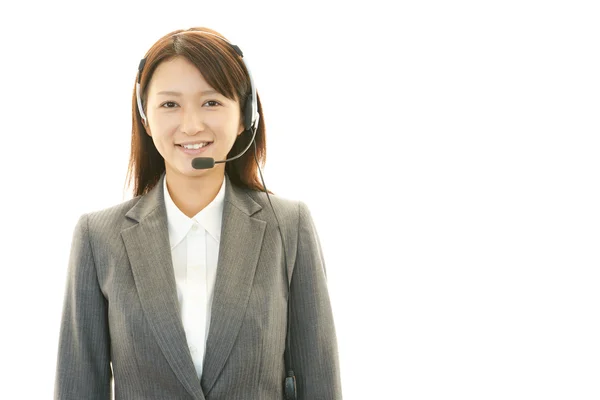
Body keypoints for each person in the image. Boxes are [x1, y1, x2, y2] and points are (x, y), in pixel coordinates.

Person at [54, 27, 342, 400]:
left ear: (245, 116)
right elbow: (78, 387)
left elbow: (320, 382)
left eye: (211, 102)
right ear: (145, 119)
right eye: (170, 104)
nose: (191, 125)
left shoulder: (288, 227)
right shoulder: (98, 237)